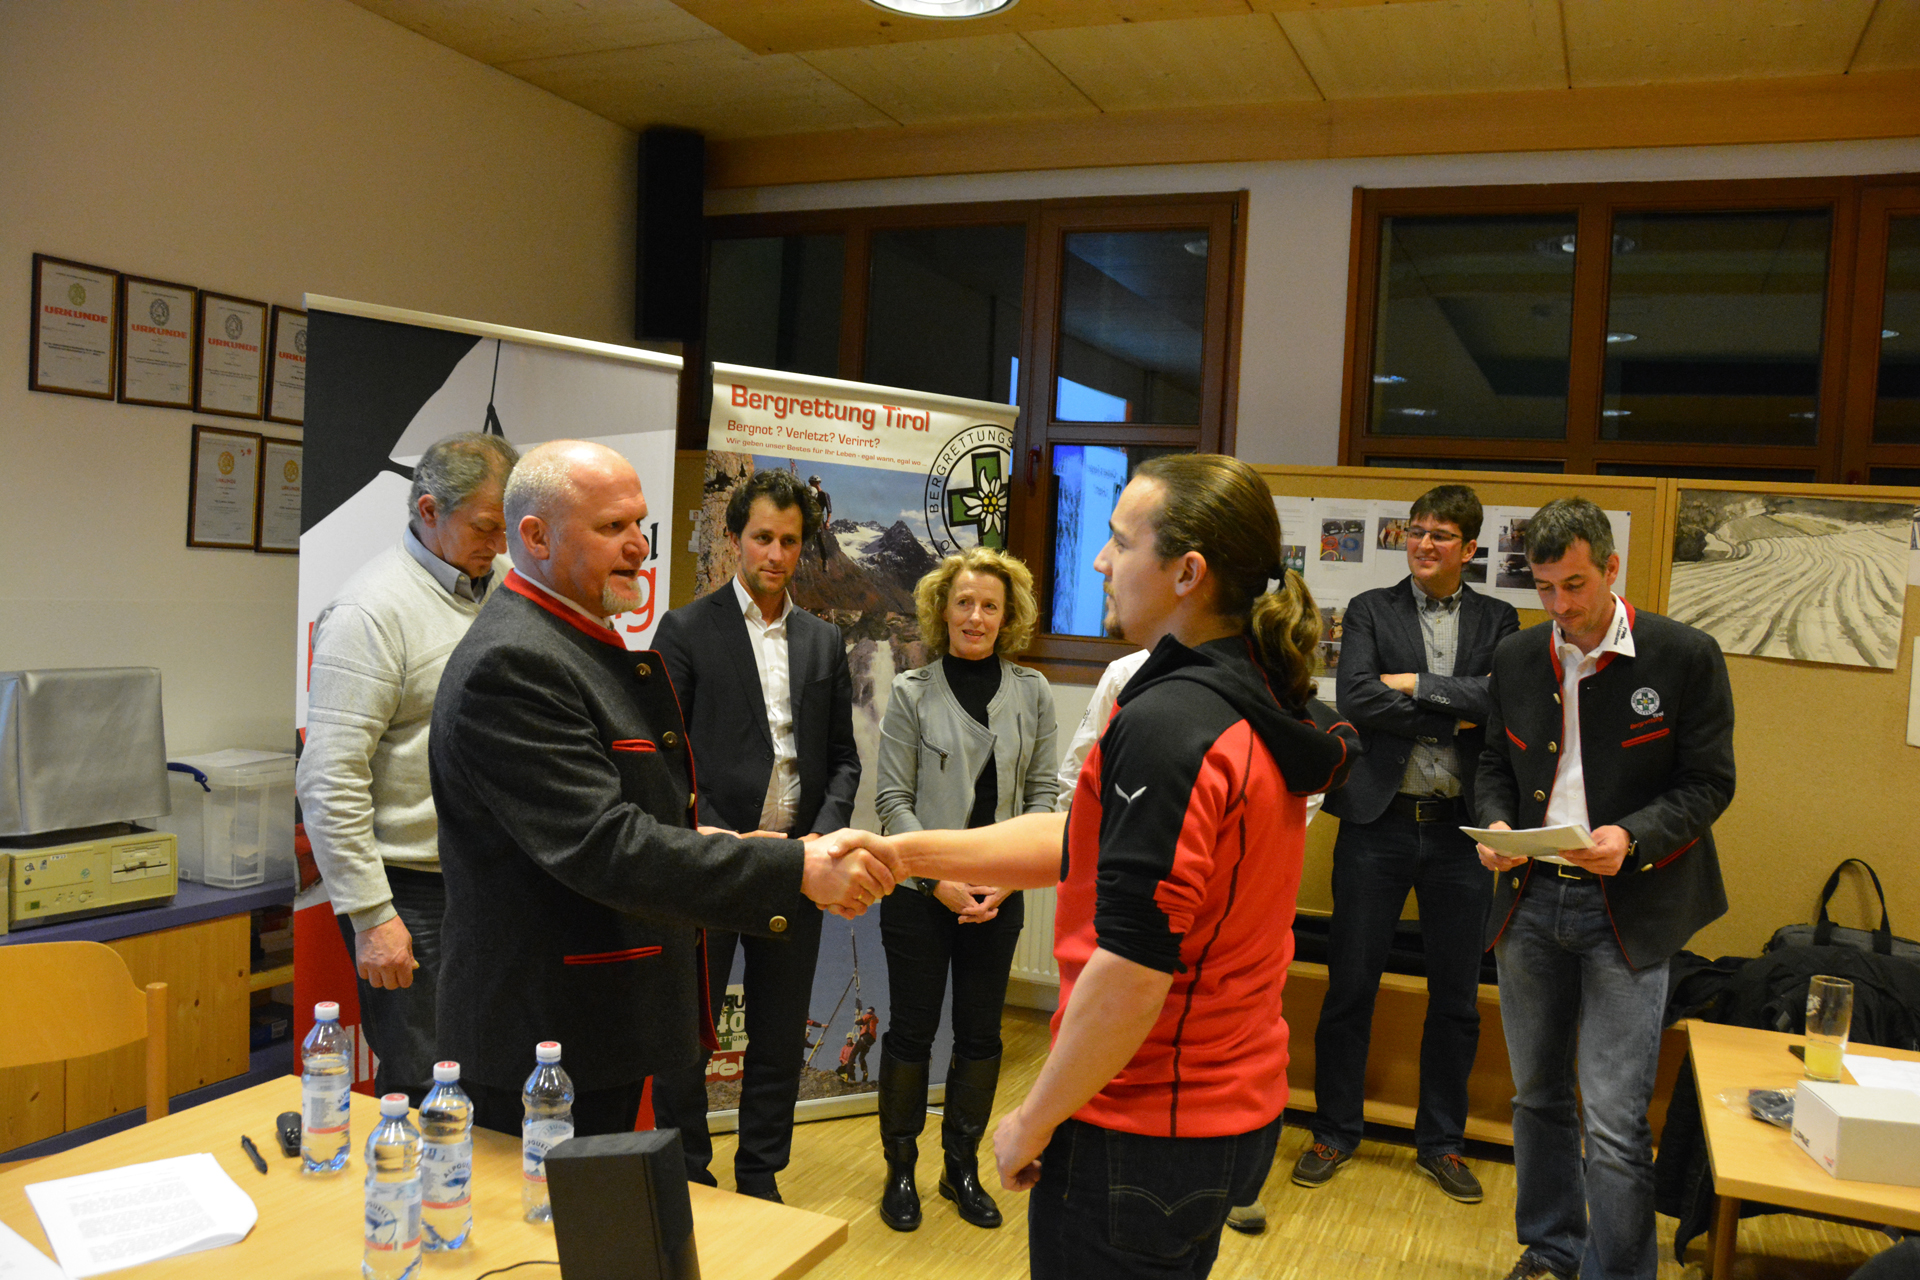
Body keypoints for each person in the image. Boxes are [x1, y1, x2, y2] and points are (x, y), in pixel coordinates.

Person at [860, 454, 1359, 1279]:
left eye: (1121, 543)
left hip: (1145, 1123)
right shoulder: (1252, 695)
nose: (1100, 561)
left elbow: (1131, 971)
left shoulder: (1173, 727)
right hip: (1224, 1104)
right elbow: (1081, 840)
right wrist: (902, 853)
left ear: (1187, 574)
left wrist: (1032, 1118)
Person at [428, 439, 897, 1139]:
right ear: (536, 537)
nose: (637, 547)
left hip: (589, 1026)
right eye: (610, 527)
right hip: (545, 1042)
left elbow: (630, 812)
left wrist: (722, 840)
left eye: (638, 525)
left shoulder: (572, 641)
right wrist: (792, 865)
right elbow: (606, 846)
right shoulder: (516, 661)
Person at [1475, 496, 1735, 1280]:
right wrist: (1496, 827)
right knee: (1536, 1098)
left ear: (1612, 567)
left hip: (1629, 907)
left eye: (1575, 585)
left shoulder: (1683, 655)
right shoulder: (1518, 657)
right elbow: (1492, 763)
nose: (1559, 606)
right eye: (1545, 588)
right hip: (1530, 901)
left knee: (1616, 1119)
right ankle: (1551, 1248)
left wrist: (1634, 838)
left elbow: (1708, 783)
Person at [1299, 484, 1519, 1205]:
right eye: (1416, 531)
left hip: (1461, 833)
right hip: (1378, 824)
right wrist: (1452, 711)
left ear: (1470, 548)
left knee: (1456, 998)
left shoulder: (1499, 618)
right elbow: (1359, 698)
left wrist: (1418, 684)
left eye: (1440, 535)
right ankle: (1334, 1131)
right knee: (1350, 987)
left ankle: (1442, 1143)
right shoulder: (1371, 609)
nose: (1423, 544)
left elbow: (1501, 703)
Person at [649, 467, 861, 1204]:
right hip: (711, 862)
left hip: (796, 867)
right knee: (688, 1033)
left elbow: (843, 760)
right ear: (735, 537)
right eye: (763, 537)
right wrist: (708, 835)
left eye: (790, 541)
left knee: (777, 1034)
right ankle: (688, 1170)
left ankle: (760, 1175)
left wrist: (820, 843)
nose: (775, 554)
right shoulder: (685, 630)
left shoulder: (823, 642)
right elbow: (662, 755)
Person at [297, 430, 518, 1106]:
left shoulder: (503, 591)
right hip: (410, 894)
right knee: (427, 1085)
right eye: (485, 527)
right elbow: (329, 776)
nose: (500, 545)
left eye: (508, 528)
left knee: (498, 1073)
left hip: (493, 881)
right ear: (428, 510)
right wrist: (372, 916)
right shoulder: (370, 612)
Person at [872, 545, 1060, 1233]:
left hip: (999, 897)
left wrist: (1009, 878)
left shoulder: (1033, 692)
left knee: (981, 1037)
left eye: (989, 606)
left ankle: (962, 1169)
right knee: (912, 1033)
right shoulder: (910, 692)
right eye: (963, 603)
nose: (975, 617)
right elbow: (892, 801)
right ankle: (900, 1170)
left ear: (1007, 617)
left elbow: (1043, 797)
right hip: (921, 896)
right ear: (941, 610)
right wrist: (937, 877)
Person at [807, 475, 832, 561]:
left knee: (820, 539)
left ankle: (825, 561)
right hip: (809, 518)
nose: (811, 484)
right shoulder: (809, 493)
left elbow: (829, 510)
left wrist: (827, 522)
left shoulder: (824, 495)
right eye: (810, 483)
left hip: (818, 519)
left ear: (817, 483)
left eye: (812, 483)